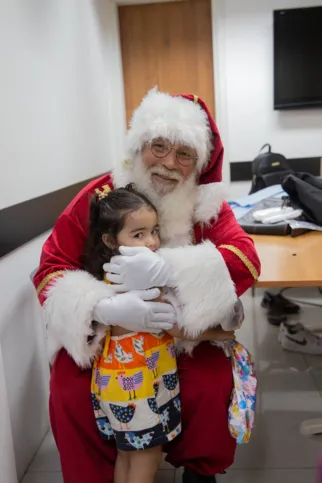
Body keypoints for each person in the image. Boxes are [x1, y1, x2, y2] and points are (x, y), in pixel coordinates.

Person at [33, 88, 260, 483]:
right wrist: (101, 308)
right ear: (139, 145)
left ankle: (198, 469)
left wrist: (171, 273)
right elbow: (52, 266)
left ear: (197, 163)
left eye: (184, 154)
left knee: (209, 382)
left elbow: (245, 259)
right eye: (159, 146)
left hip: (179, 336)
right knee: (68, 388)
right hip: (110, 339)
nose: (169, 163)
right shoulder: (102, 197)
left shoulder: (206, 206)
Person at [86, 185, 236, 483]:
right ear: (109, 239)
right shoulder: (144, 284)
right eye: (138, 234)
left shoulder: (110, 273)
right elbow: (181, 328)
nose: (153, 242)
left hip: (112, 383)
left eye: (154, 231)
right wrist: (220, 335)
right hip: (139, 389)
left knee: (126, 456)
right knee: (147, 459)